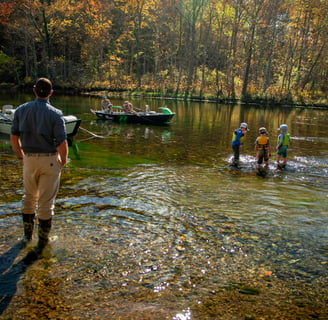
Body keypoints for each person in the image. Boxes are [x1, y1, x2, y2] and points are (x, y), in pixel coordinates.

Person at [10, 78, 68, 258]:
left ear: (35, 91)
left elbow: (14, 138)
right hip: (50, 160)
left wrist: (21, 156)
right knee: (46, 202)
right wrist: (63, 160)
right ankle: (42, 243)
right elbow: (62, 142)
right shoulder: (56, 114)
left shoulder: (21, 110)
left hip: (28, 159)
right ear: (50, 93)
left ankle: (27, 237)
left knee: (29, 198)